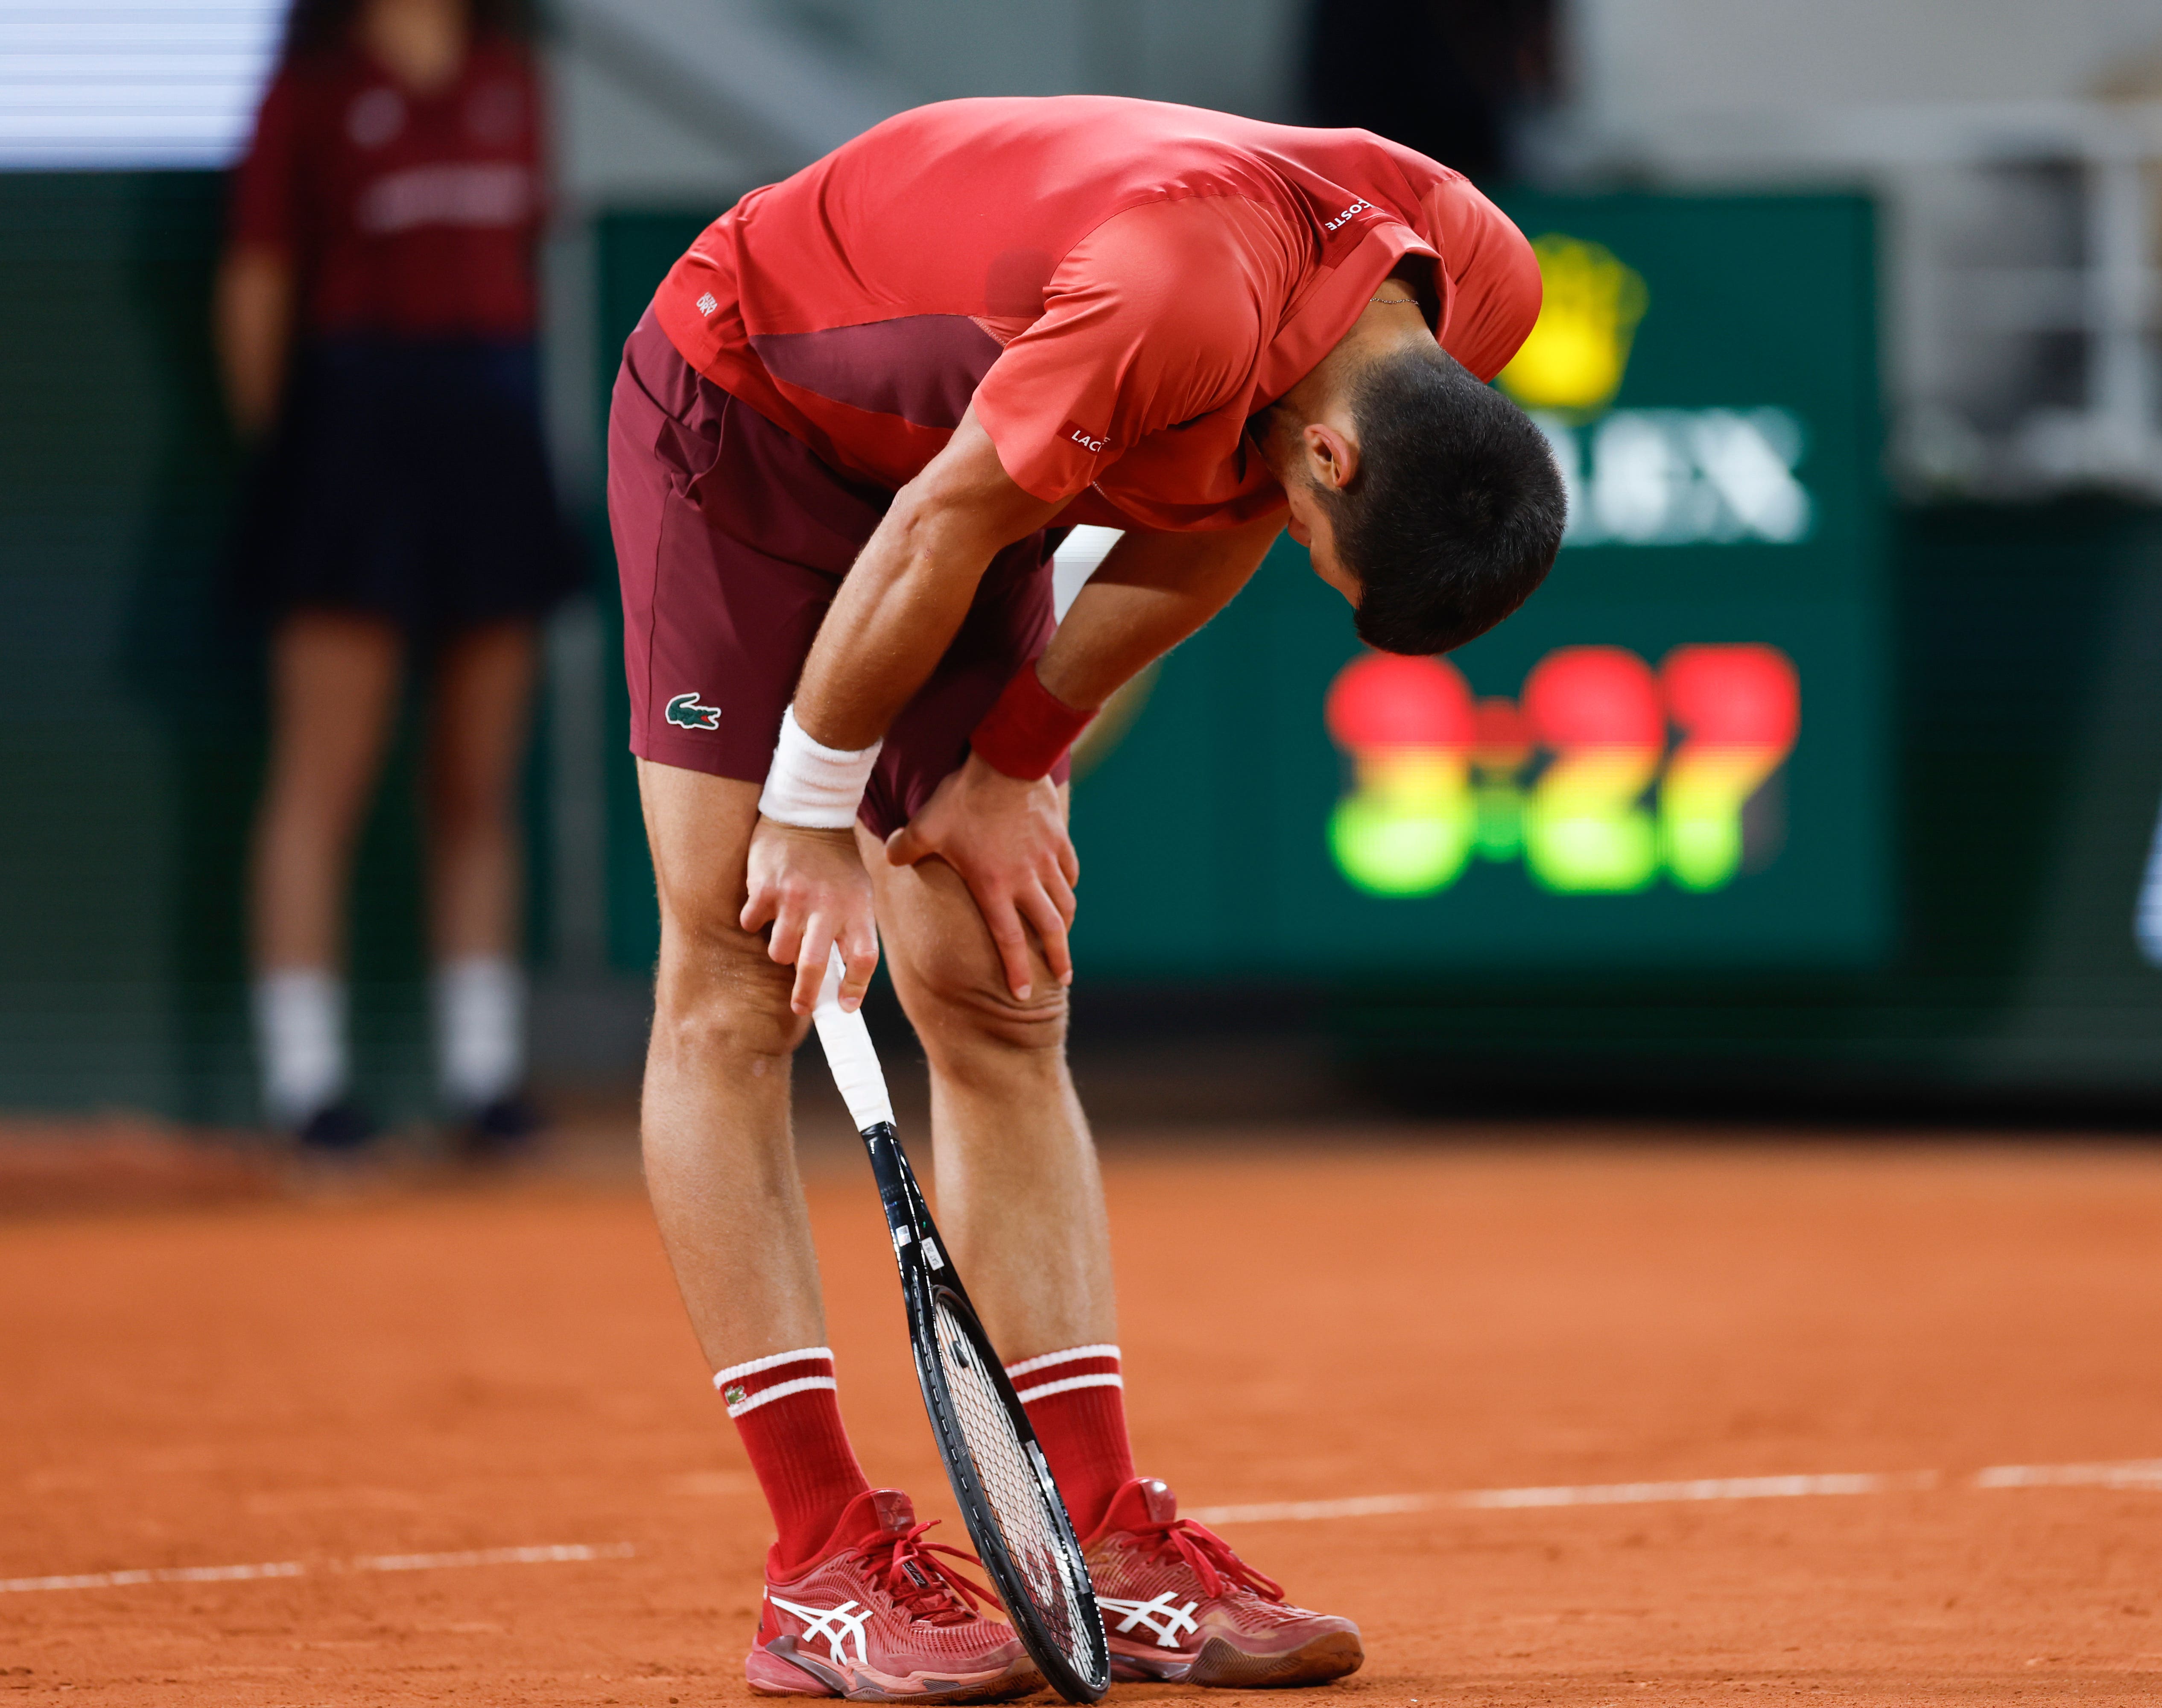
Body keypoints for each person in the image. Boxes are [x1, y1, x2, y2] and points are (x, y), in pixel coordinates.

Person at [608, 97, 1564, 1699]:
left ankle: (1104, 1546)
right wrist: (809, 812)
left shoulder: (1469, 296)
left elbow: (1227, 526)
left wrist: (1009, 759)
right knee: (732, 974)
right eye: (1346, 559)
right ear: (1345, 449)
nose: (1309, 551)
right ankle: (821, 1567)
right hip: (759, 418)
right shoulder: (1177, 300)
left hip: (977, 461)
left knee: (998, 980)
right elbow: (936, 531)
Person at [217, 0, 579, 1152]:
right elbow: (257, 286)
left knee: (477, 778)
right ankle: (308, 1087)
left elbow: (528, 261)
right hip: (351, 434)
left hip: (490, 428)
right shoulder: (310, 91)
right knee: (325, 778)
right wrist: (308, 463)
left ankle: (485, 1078)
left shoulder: (514, 80)